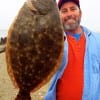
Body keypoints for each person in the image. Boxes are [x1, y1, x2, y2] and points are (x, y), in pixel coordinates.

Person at [44, 0, 100, 100]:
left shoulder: (97, 40)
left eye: (73, 9)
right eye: (64, 11)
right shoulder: (52, 40)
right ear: (59, 16)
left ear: (80, 12)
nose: (69, 14)